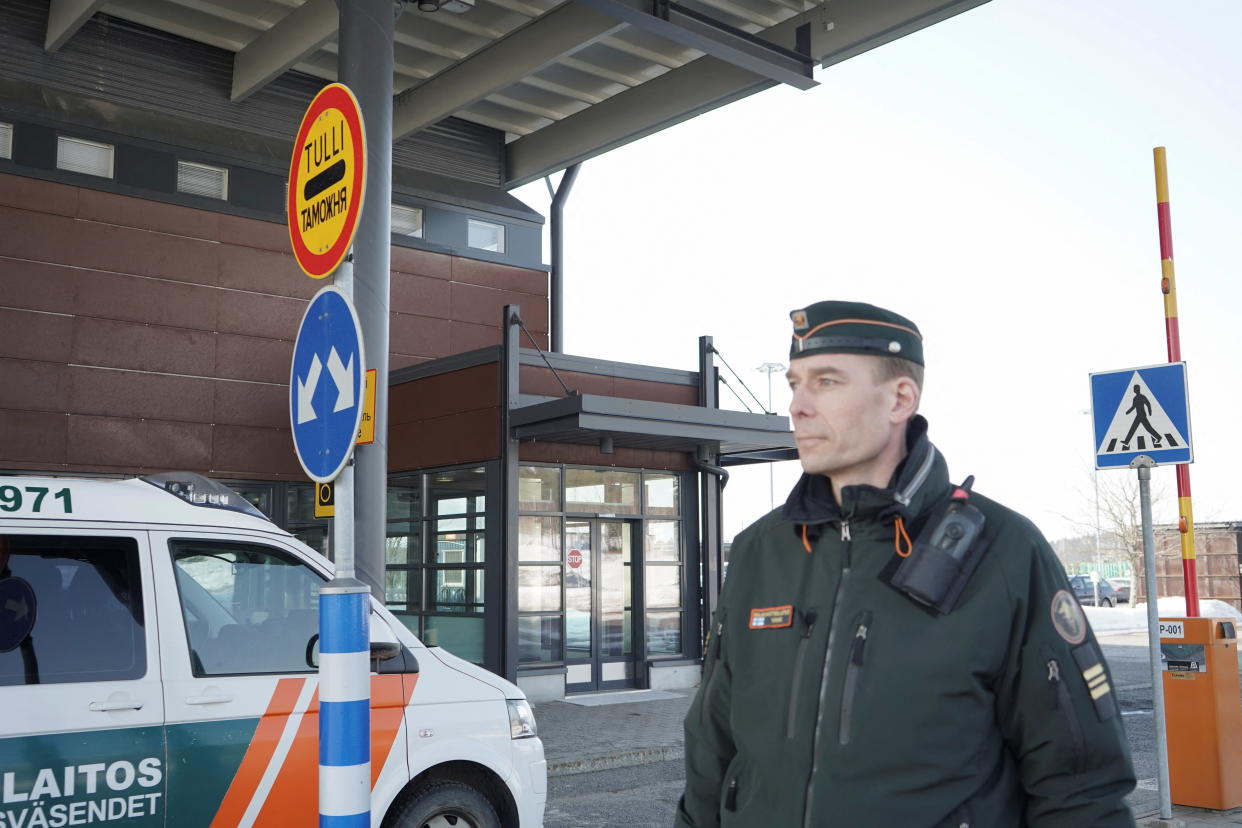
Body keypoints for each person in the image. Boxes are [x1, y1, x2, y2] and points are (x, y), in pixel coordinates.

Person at [675, 301, 1136, 827]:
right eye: (795, 383)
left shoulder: (1006, 551)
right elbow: (711, 749)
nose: (798, 406)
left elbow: (1080, 786)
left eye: (826, 383)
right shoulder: (760, 549)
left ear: (899, 399)